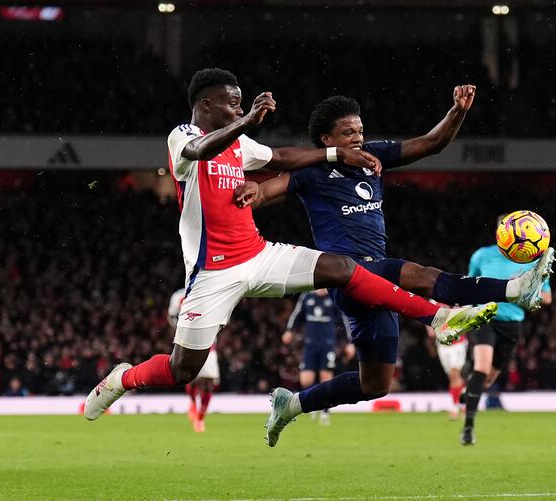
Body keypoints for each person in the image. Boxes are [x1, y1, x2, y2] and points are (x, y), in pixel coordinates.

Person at [83, 68, 499, 441]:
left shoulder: (240, 144)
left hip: (259, 255)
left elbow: (282, 158)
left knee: (342, 267)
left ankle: (437, 316)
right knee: (182, 370)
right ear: (205, 104)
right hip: (212, 273)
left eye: (241, 103)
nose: (239, 108)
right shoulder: (183, 138)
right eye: (231, 102)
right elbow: (201, 152)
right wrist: (248, 121)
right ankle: (123, 379)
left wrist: (337, 154)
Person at [235, 88, 556, 446]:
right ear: (327, 140)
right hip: (347, 276)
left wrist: (457, 111)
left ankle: (291, 404)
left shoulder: (375, 155)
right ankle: (513, 289)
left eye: (359, 130)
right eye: (348, 133)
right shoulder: (312, 171)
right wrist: (253, 192)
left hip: (380, 286)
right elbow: (268, 190)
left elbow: (431, 143)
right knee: (423, 276)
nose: (358, 138)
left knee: (375, 384)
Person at [460, 218, 553, 446]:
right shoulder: (482, 255)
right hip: (485, 317)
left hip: (512, 324)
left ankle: (468, 387)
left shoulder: (534, 262)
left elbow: (547, 297)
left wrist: (522, 290)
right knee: (482, 369)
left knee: (488, 379)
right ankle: (468, 427)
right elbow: (467, 285)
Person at [283, 288, 353, 425]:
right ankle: (314, 403)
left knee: (325, 378)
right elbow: (297, 315)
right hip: (310, 345)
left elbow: (344, 320)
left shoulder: (333, 297)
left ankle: (325, 412)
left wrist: (350, 342)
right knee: (306, 380)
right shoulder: (307, 297)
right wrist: (289, 330)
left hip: (327, 345)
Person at [169, 288, 220, 433]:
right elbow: (171, 316)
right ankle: (192, 403)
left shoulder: (210, 291)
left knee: (208, 382)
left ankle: (200, 418)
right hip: (186, 342)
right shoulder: (178, 296)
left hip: (209, 342)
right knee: (190, 377)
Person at [426, 324, 468, 420]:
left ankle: (456, 407)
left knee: (455, 373)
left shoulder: (456, 307)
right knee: (452, 377)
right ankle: (463, 405)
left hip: (458, 343)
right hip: (442, 345)